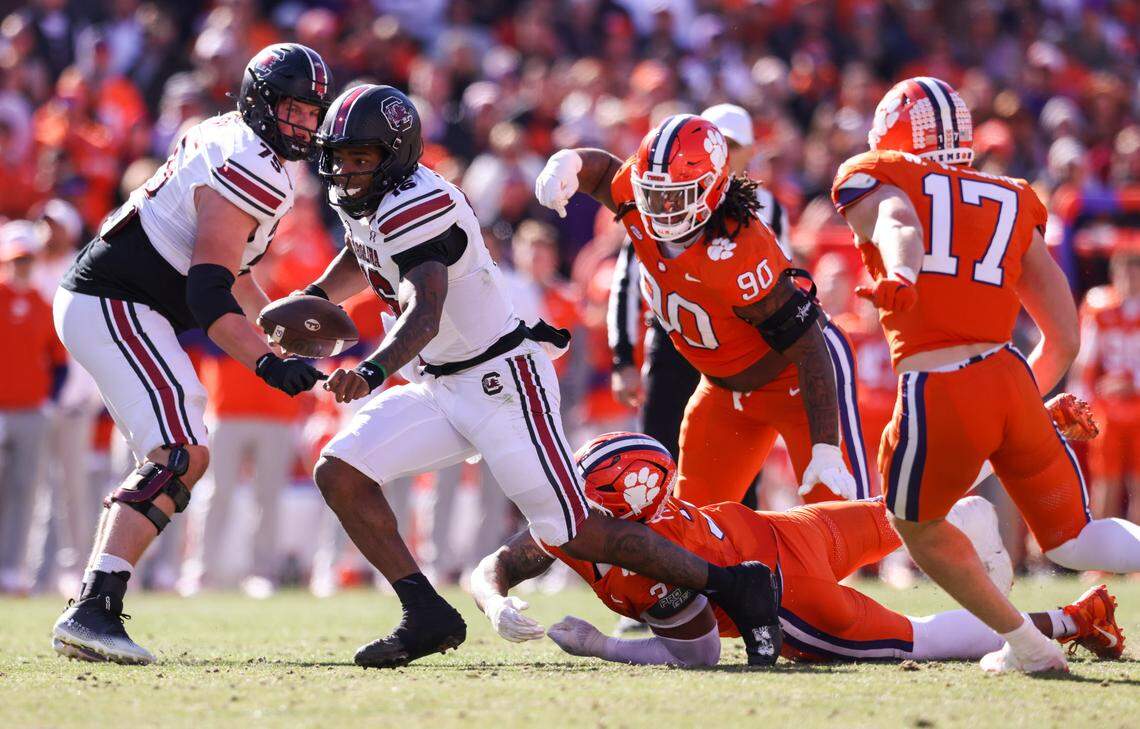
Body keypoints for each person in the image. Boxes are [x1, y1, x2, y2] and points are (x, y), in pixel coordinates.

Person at [294, 83, 780, 669]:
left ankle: (736, 585)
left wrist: (371, 370)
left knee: (572, 531)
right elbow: (364, 248)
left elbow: (423, 311)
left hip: (502, 383)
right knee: (341, 470)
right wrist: (316, 294)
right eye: (340, 157)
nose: (346, 170)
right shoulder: (373, 200)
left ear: (395, 156)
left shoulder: (420, 204)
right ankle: (425, 612)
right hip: (442, 384)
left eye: (361, 157)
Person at [830, 76, 1140, 673]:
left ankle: (1028, 646)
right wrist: (1023, 406)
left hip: (940, 381)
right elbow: (1065, 336)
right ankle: (1015, 611)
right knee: (1074, 539)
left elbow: (899, 221)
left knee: (912, 526)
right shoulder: (1010, 194)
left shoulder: (879, 175)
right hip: (1007, 373)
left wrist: (902, 273)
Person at [50, 43, 333, 665]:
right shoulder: (248, 161)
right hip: (114, 300)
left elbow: (233, 275)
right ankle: (92, 609)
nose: (304, 125)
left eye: (312, 113)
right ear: (261, 100)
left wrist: (279, 329)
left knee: (175, 453)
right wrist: (265, 362)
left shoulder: (239, 143)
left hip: (124, 302)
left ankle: (93, 604)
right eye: (293, 109)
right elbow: (207, 287)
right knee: (181, 452)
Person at [470, 432, 1124, 667]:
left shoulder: (643, 558)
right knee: (909, 509)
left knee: (921, 637)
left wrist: (600, 644)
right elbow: (494, 565)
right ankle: (988, 482)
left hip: (792, 598)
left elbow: (695, 654)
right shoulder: (597, 517)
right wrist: (493, 597)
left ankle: (1074, 618)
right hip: (784, 527)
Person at [536, 114, 867, 508]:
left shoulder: (737, 249)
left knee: (841, 514)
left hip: (793, 377)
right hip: (722, 386)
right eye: (653, 193)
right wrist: (568, 162)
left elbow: (809, 345)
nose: (660, 207)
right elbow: (604, 172)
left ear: (711, 190)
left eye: (675, 195)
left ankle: (950, 522)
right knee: (696, 522)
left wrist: (826, 446)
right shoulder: (641, 200)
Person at [607, 103, 793, 466]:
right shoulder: (661, 197)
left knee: (736, 476)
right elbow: (628, 279)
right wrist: (622, 358)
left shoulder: (768, 209)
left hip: (735, 349)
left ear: (750, 151)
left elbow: (778, 291)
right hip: (673, 340)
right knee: (658, 463)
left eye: (732, 145)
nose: (723, 153)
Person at [0, 221, 67, 594]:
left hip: (30, 411)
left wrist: (48, 402)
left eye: (26, 261)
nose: (21, 268)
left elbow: (58, 362)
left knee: (26, 490)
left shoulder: (45, 306)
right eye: (15, 261)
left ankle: (11, 568)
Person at [1077, 242, 1140, 522]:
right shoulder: (1100, 305)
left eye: (1135, 274)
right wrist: (1079, 405)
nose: (1130, 281)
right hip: (1108, 406)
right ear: (1114, 275)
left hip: (1137, 402)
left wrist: (1134, 384)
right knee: (1105, 480)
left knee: (1138, 483)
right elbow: (1086, 361)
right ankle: (1102, 561)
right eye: (1125, 274)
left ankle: (1137, 559)